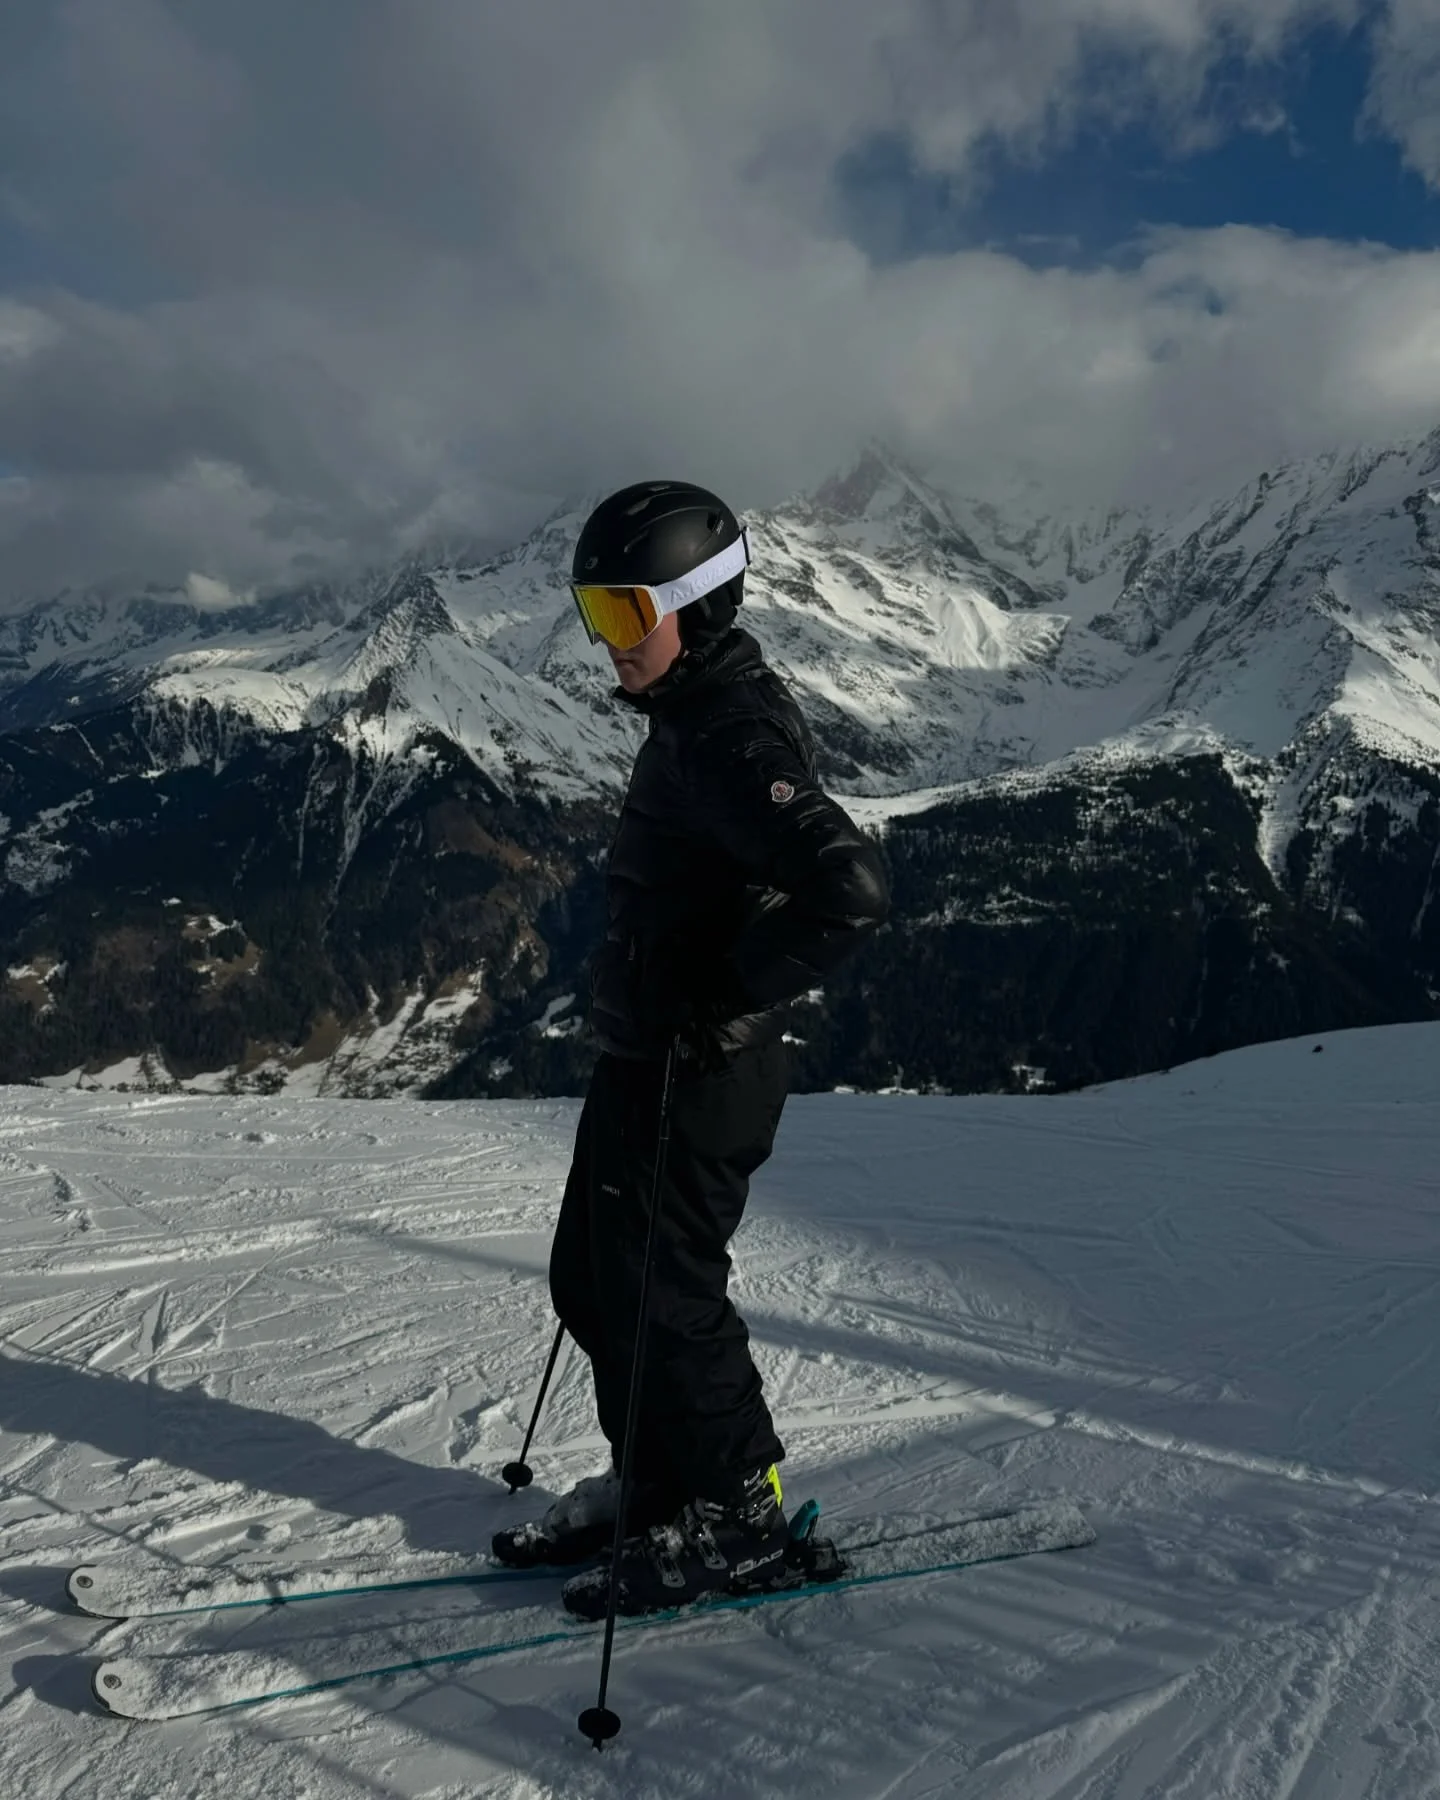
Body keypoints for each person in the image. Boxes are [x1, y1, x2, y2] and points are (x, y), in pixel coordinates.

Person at [493, 480, 890, 1614]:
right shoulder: (691, 711)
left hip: (703, 1069)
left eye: (626, 616)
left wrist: (724, 992)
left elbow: (851, 887)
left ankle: (738, 1517)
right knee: (594, 1277)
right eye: (594, 617)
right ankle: (662, 1482)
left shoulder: (728, 732)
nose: (606, 645)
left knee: (668, 1293)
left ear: (698, 606)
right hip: (649, 1055)